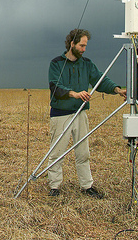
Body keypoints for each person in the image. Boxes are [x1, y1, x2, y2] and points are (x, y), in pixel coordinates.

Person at [47, 28, 126, 198]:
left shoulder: (87, 64)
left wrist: (117, 90)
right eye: (81, 45)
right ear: (72, 44)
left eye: (85, 46)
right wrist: (74, 93)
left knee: (83, 152)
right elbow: (55, 87)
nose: (84, 49)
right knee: (57, 152)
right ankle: (54, 187)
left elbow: (100, 79)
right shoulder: (56, 64)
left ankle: (87, 186)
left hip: (80, 114)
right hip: (60, 114)